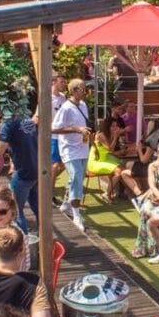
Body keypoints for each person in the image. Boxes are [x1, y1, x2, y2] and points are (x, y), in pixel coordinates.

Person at [51, 78, 93, 232]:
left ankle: (67, 205)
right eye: (82, 88)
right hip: (69, 149)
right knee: (75, 176)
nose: (85, 91)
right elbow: (54, 129)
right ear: (74, 90)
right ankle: (77, 214)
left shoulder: (83, 105)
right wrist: (76, 130)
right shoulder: (66, 108)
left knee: (79, 177)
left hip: (83, 147)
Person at [0, 112, 40, 233]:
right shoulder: (25, 116)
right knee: (39, 209)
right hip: (37, 169)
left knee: (14, 211)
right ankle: (46, 243)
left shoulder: (7, 123)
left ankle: (22, 244)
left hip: (23, 172)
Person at [49, 73, 68, 194]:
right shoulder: (47, 98)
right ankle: (50, 192)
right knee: (55, 165)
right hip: (53, 136)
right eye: (61, 82)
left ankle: (48, 182)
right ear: (54, 82)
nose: (64, 84)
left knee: (63, 164)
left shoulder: (63, 97)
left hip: (63, 135)